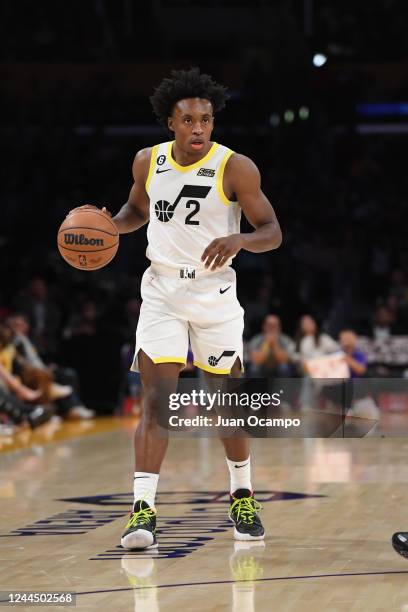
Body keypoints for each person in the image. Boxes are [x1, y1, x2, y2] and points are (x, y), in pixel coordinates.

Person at [71, 67, 282, 549]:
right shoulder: (147, 161)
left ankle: (242, 494)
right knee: (156, 402)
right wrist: (109, 226)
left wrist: (241, 239)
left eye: (205, 119)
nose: (198, 129)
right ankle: (142, 511)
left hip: (214, 294)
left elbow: (273, 230)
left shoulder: (236, 167)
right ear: (170, 122)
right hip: (162, 292)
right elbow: (136, 213)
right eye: (187, 120)